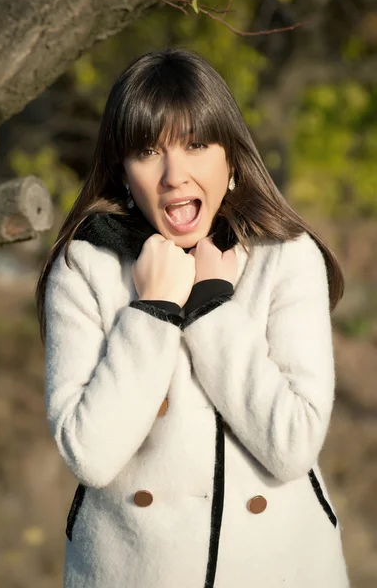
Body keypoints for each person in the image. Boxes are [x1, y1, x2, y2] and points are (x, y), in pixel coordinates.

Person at [36, 47, 350, 587]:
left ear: (230, 156)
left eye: (197, 144)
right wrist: (152, 311)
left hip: (280, 569)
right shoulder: (85, 265)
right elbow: (89, 454)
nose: (174, 175)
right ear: (123, 171)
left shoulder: (285, 255)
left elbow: (294, 442)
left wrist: (211, 307)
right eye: (148, 151)